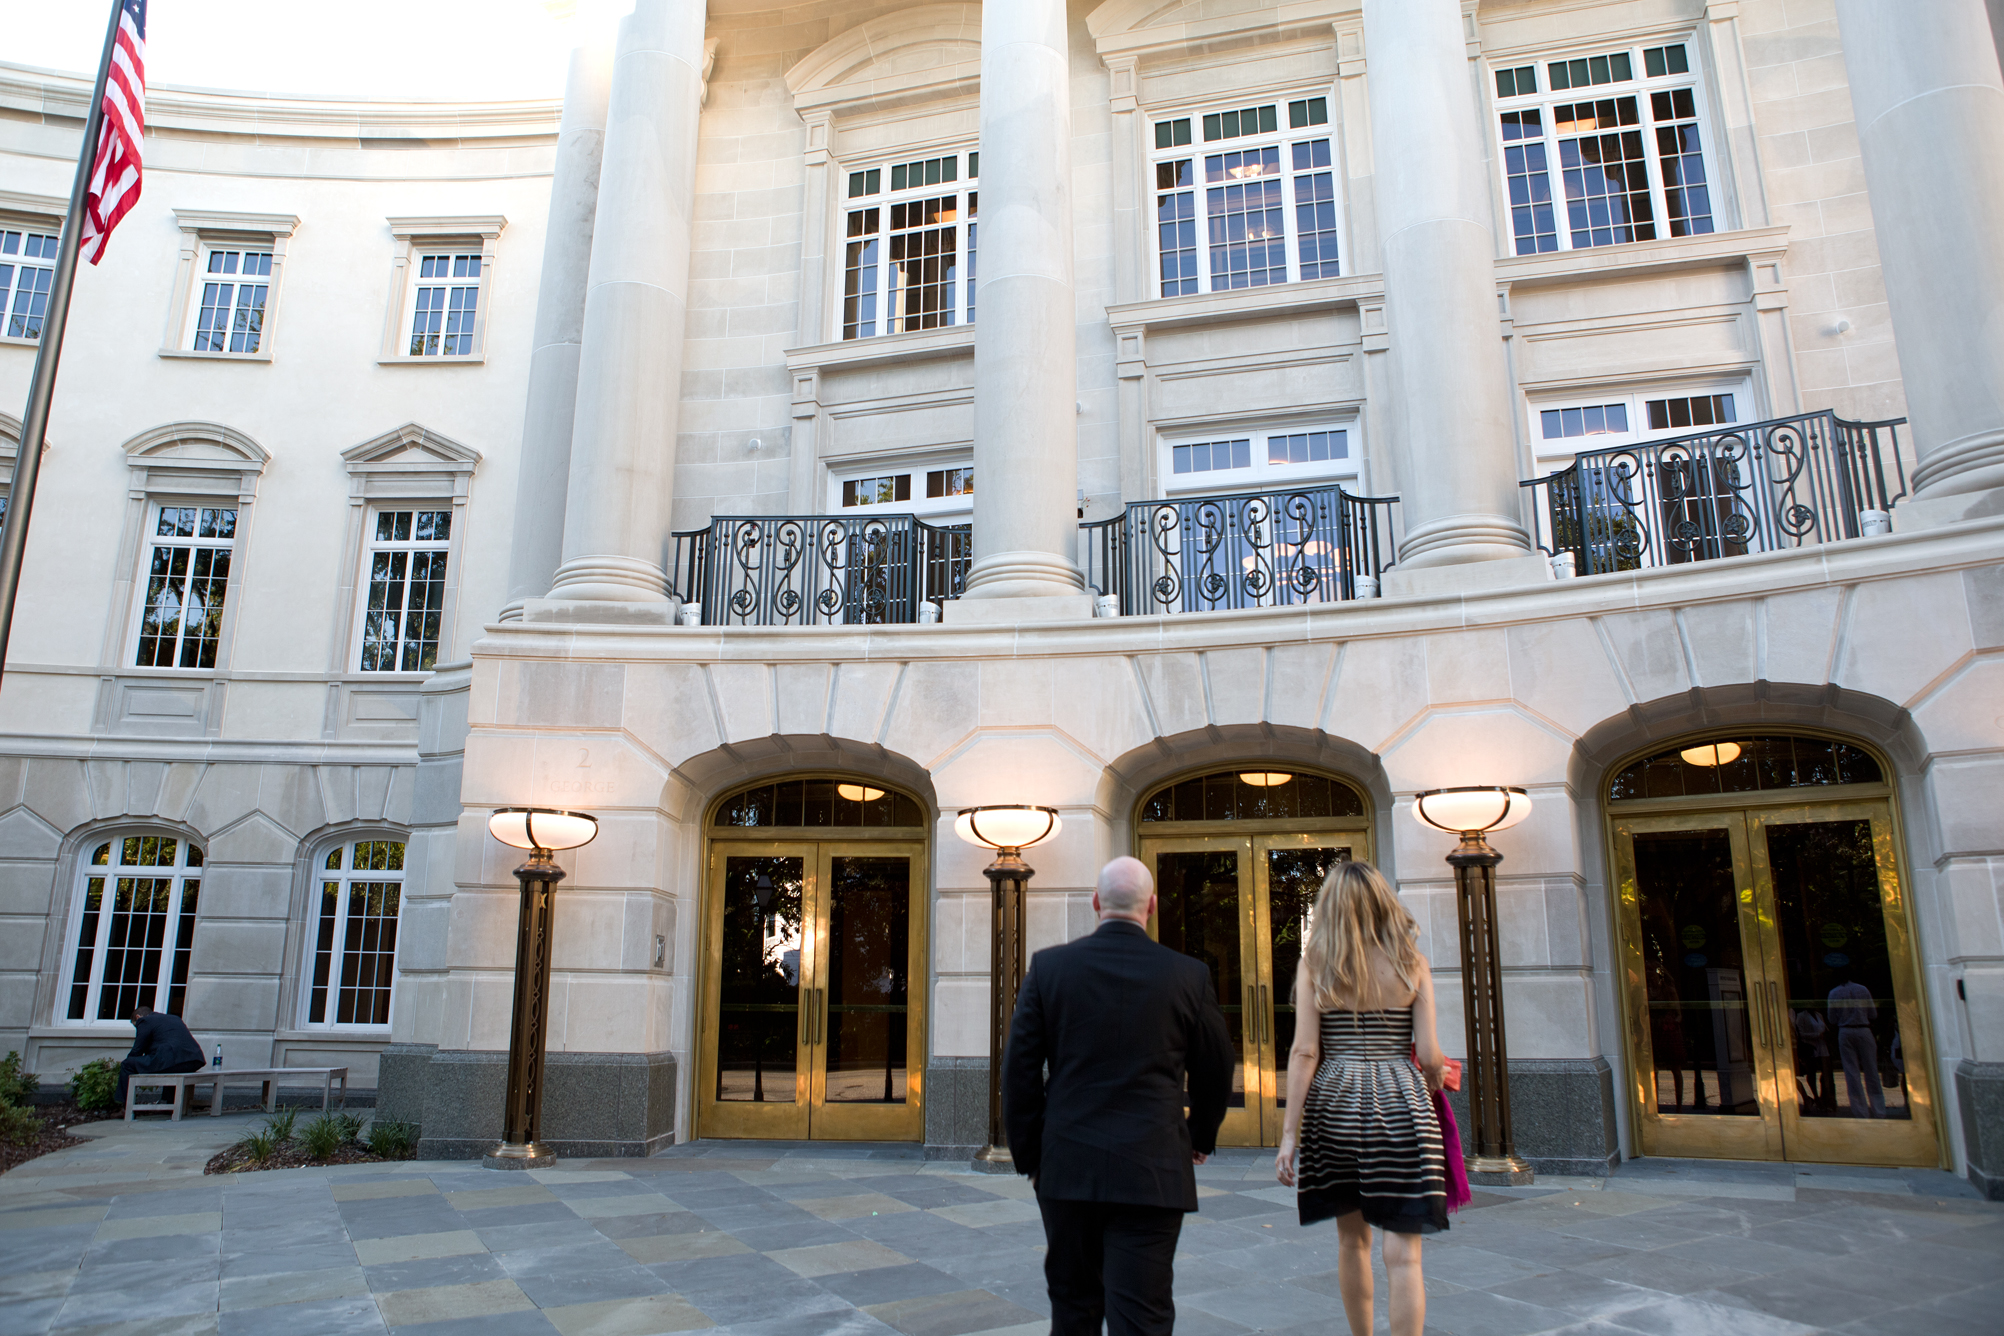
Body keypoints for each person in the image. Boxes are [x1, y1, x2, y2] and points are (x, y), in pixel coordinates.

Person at [1003, 855, 1235, 1336]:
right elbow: (1216, 1067)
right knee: (1143, 1315)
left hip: (1068, 1166)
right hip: (1153, 1167)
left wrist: (1032, 1156)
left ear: (1094, 903)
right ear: (1151, 906)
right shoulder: (1188, 975)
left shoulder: (1050, 968)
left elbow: (1019, 1071)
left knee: (1073, 1308)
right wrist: (1199, 1136)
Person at [1276, 860, 1448, 1336]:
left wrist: (1289, 1136)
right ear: (1382, 903)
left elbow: (1305, 1051)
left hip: (1335, 1099)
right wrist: (1433, 1080)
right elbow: (1430, 1054)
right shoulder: (1412, 963)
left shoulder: (1315, 965)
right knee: (1405, 1251)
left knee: (1352, 1241)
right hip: (1400, 1098)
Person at [116, 1005, 206, 1108]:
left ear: (137, 1017)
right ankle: (169, 1104)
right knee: (168, 1065)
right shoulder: (174, 1018)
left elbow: (138, 1049)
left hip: (173, 1060)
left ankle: (125, 1107)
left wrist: (130, 1061)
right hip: (194, 1060)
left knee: (127, 1065)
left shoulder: (145, 1021)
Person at [1828, 978, 1886, 1118]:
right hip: (1863, 1029)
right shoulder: (1862, 989)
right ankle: (1879, 1110)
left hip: (1845, 1030)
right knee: (1871, 1070)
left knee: (1851, 1072)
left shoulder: (1834, 993)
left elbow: (1832, 1019)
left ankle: (1860, 1111)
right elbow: (1873, 1013)